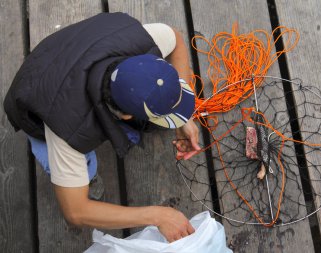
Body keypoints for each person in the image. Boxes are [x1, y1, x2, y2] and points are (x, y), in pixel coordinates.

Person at [4, 12, 201, 242]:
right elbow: (75, 212)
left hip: (72, 53)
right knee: (78, 172)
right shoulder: (67, 129)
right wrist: (159, 215)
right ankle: (82, 174)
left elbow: (175, 38)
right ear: (127, 116)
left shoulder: (139, 40)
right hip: (37, 101)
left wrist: (184, 118)